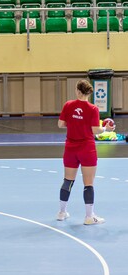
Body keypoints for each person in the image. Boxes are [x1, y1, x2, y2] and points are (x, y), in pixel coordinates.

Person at [56, 79, 114, 225]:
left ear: (77, 91)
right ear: (89, 93)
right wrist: (106, 128)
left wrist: (75, 122)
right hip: (87, 149)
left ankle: (62, 212)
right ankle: (89, 216)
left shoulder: (68, 105)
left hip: (70, 148)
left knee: (67, 181)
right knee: (88, 184)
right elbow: (96, 130)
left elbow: (60, 124)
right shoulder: (93, 109)